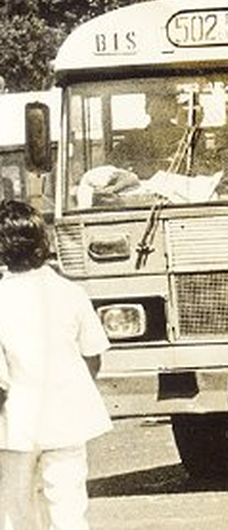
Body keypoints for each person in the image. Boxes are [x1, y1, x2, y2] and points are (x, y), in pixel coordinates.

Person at [0, 200, 112, 529]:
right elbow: (92, 355)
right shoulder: (70, 292)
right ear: (42, 243)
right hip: (66, 416)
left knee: (15, 510)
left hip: (13, 422)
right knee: (68, 507)